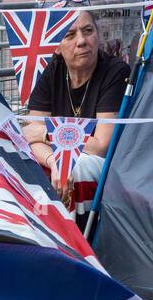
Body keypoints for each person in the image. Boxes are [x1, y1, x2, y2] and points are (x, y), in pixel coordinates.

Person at [23, 11, 131, 210]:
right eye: (69, 35)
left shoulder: (116, 71)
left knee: (77, 165)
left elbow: (101, 146)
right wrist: (55, 161)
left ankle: (75, 238)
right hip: (61, 156)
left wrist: (47, 134)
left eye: (88, 30)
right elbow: (29, 137)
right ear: (56, 47)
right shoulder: (52, 69)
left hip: (106, 166)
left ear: (98, 35)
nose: (81, 41)